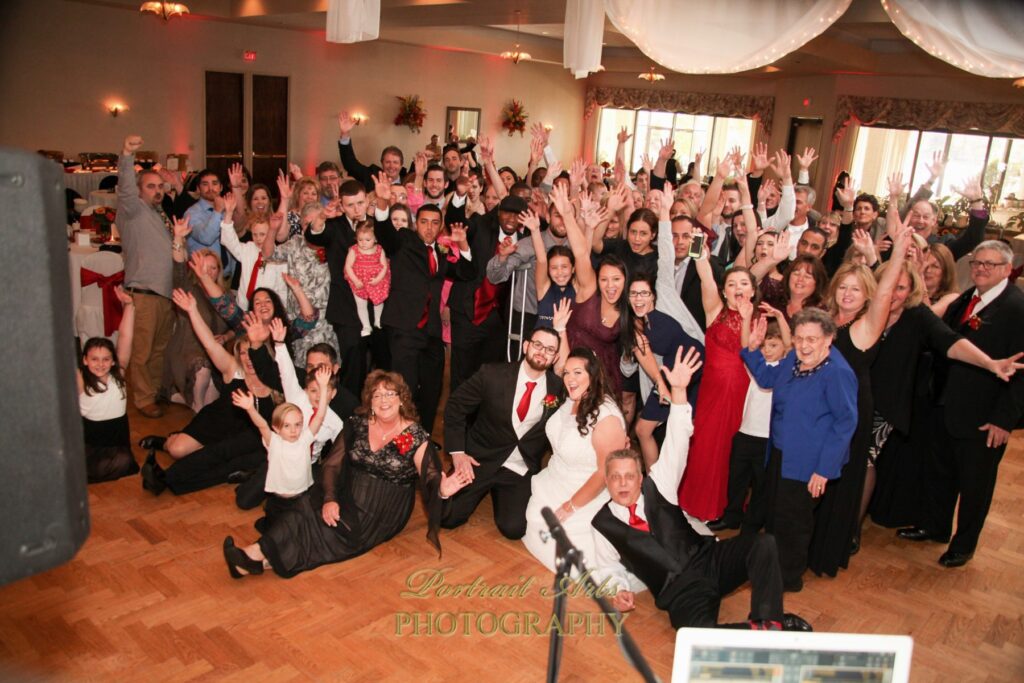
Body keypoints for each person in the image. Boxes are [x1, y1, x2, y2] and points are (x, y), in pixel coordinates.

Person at [591, 347, 811, 631]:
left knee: (763, 544)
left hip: (711, 561)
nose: (622, 484)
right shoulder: (602, 524)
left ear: (640, 475)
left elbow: (678, 441)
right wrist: (617, 590)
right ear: (606, 480)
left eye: (629, 476)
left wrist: (680, 391)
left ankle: (768, 618)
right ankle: (765, 631)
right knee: (693, 637)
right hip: (681, 592)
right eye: (615, 478)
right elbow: (607, 568)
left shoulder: (659, 485)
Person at [220, 371, 471, 578]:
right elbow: (332, 464)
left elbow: (429, 476)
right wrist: (330, 497)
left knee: (326, 531)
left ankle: (254, 558)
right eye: (377, 394)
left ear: (402, 399)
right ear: (370, 401)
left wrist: (442, 489)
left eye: (390, 394)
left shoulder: (412, 435)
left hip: (380, 510)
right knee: (308, 507)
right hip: (347, 490)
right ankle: (253, 557)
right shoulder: (358, 424)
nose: (383, 400)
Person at [902, 241, 1024, 568]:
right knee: (940, 472)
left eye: (990, 264)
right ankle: (935, 525)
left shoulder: (1017, 308)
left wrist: (1004, 420)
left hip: (984, 416)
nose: (981, 268)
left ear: (1007, 270)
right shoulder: (967, 299)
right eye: (977, 263)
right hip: (945, 404)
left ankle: (964, 543)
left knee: (975, 485)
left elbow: (1022, 373)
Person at [808, 228, 910, 575]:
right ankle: (805, 544)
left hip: (848, 412)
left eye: (856, 289)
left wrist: (896, 254)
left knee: (839, 480)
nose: (848, 294)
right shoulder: (825, 318)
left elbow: (886, 291)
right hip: (818, 410)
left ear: (867, 295)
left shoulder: (868, 323)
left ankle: (826, 553)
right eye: (843, 287)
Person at [741, 308, 858, 591]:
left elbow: (845, 423)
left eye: (812, 339)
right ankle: (771, 569)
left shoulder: (838, 373)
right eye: (800, 338)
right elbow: (767, 379)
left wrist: (824, 470)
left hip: (809, 464)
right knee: (777, 516)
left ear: (828, 339)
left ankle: (787, 579)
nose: (805, 345)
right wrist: (752, 349)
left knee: (794, 523)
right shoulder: (793, 358)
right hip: (780, 454)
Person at [138, 299, 277, 496]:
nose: (248, 358)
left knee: (219, 457)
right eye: (244, 353)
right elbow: (209, 343)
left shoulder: (272, 377)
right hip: (218, 421)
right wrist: (193, 311)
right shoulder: (233, 368)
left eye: (252, 352)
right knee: (177, 450)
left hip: (245, 434)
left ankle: (168, 476)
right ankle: (165, 442)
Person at [441, 327, 563, 539]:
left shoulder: (558, 388)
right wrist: (458, 453)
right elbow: (455, 407)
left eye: (550, 349)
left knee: (514, 529)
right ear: (526, 346)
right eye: (538, 345)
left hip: (518, 467)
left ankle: (501, 493)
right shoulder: (492, 374)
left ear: (555, 357)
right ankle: (455, 486)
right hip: (479, 460)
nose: (542, 352)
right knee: (448, 518)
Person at [522, 348, 628, 573]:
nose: (570, 379)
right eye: (567, 373)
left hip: (589, 492)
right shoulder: (574, 397)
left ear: (593, 374)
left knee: (567, 550)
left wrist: (570, 506)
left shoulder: (606, 418)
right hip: (555, 479)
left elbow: (604, 473)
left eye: (578, 373)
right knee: (534, 520)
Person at [375, 202, 474, 433]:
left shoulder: (442, 251)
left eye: (435, 223)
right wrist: (381, 208)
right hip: (404, 327)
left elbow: (467, 272)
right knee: (403, 388)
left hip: (432, 332)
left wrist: (462, 243)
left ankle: (424, 438)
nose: (429, 228)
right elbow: (385, 235)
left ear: (441, 227)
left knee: (432, 388)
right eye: (424, 222)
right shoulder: (404, 240)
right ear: (415, 223)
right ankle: (401, 439)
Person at [679, 245, 758, 522]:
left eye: (744, 283)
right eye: (732, 283)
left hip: (741, 392)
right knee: (703, 445)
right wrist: (698, 251)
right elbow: (705, 275)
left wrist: (748, 319)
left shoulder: (760, 320)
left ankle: (724, 507)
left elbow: (751, 354)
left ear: (752, 290)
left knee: (730, 451)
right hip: (712, 392)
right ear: (724, 291)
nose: (737, 287)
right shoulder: (715, 310)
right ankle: (696, 501)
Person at [228, 362, 331, 542]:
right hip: (277, 500)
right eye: (287, 426)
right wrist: (250, 408)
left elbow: (320, 415)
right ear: (276, 428)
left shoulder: (305, 439)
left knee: (297, 532)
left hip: (300, 499)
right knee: (275, 531)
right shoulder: (274, 442)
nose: (293, 430)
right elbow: (261, 424)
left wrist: (323, 387)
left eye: (298, 425)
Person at [710, 317, 789, 533]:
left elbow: (793, 350)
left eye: (774, 345)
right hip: (745, 433)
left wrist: (782, 320)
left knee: (762, 485)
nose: (767, 350)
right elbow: (747, 348)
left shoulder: (786, 370)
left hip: (767, 438)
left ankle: (752, 524)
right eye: (764, 345)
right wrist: (747, 324)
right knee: (736, 479)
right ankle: (731, 516)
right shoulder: (756, 366)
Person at [116, 134, 175, 419]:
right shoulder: (133, 209)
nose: (157, 190)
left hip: (163, 294)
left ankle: (152, 391)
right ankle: (142, 399)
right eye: (151, 186)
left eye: (160, 186)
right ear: (140, 190)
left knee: (158, 350)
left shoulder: (159, 214)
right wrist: (127, 154)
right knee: (142, 352)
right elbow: (125, 188)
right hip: (143, 292)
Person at [619, 272, 703, 468]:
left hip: (691, 373)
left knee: (663, 432)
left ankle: (659, 485)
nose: (638, 298)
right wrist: (660, 383)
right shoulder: (637, 323)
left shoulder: (661, 316)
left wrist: (661, 383)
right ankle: (656, 483)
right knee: (645, 430)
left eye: (644, 293)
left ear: (653, 296)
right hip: (677, 377)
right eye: (633, 294)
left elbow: (644, 351)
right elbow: (637, 358)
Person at [164, 217, 231, 413]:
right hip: (188, 350)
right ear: (196, 267)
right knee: (202, 371)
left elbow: (237, 326)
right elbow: (178, 268)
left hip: (216, 355)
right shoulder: (188, 288)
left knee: (211, 404)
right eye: (205, 267)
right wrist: (177, 237)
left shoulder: (225, 296)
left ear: (219, 271)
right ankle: (196, 413)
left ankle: (188, 402)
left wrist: (226, 337)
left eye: (213, 268)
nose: (209, 272)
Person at [78, 286, 139, 482]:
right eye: (94, 359)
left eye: (106, 359)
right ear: (85, 360)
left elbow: (125, 337)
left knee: (123, 461)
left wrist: (129, 305)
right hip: (90, 441)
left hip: (115, 439)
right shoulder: (80, 378)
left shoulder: (118, 373)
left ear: (113, 361)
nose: (100, 364)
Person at [343, 220, 391, 338]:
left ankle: (378, 320)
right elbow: (348, 266)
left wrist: (378, 279)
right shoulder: (354, 250)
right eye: (360, 240)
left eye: (367, 240)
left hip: (375, 280)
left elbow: (384, 266)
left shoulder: (379, 249)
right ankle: (366, 325)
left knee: (378, 301)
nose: (363, 243)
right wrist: (355, 280)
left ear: (375, 239)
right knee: (361, 304)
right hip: (359, 281)